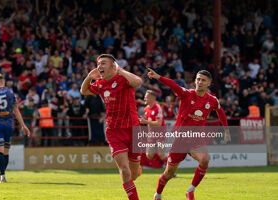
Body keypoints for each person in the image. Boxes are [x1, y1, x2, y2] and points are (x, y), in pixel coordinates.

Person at [147, 68, 231, 200]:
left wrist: (226, 130)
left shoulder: (212, 100)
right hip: (179, 141)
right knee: (168, 173)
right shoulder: (186, 94)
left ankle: (190, 191)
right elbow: (173, 84)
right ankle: (157, 194)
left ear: (209, 83)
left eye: (203, 80)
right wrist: (158, 77)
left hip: (195, 140)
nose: (200, 82)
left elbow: (220, 111)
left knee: (204, 159)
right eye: (198, 79)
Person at [81, 54, 142, 200]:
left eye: (103, 63)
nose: (99, 66)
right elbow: (84, 91)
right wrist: (89, 77)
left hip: (134, 129)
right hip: (114, 131)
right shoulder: (101, 84)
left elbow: (138, 81)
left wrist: (120, 71)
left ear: (113, 65)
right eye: (98, 64)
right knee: (125, 171)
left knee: (134, 174)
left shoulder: (123, 79)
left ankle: (137, 170)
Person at [138, 90, 168, 165]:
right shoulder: (146, 109)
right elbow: (149, 123)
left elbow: (158, 123)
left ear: (152, 98)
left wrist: (146, 122)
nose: (144, 99)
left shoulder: (158, 108)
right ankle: (165, 162)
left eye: (146, 97)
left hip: (161, 134)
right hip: (152, 135)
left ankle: (170, 167)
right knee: (149, 155)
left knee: (161, 155)